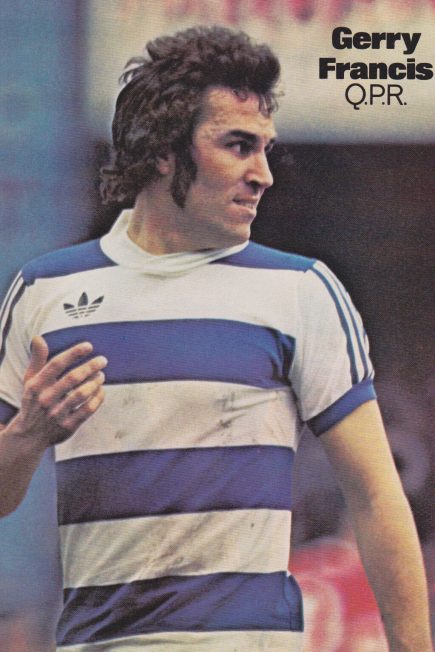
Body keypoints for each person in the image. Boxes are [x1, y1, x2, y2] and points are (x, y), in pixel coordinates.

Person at [0, 25, 431, 652]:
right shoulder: (45, 291)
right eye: (237, 146)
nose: (263, 175)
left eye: (265, 149)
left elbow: (375, 497)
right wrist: (27, 434)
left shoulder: (302, 291)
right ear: (164, 151)